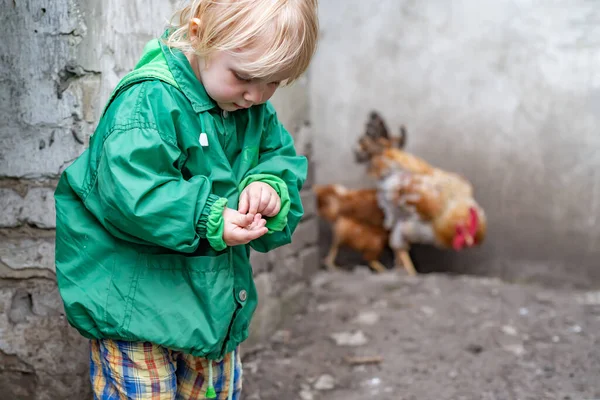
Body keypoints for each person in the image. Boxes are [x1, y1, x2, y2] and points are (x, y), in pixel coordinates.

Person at [54, 0, 319, 398]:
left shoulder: (250, 109)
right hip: (136, 304)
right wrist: (208, 217)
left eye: (273, 83)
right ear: (199, 35)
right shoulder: (150, 102)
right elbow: (133, 192)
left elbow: (278, 157)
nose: (255, 96)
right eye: (244, 77)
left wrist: (269, 188)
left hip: (207, 305)